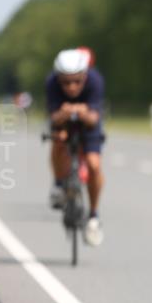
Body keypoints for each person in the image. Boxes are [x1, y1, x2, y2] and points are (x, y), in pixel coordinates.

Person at [46, 48, 106, 246]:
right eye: (66, 82)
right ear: (58, 78)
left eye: (77, 81)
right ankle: (58, 184)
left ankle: (94, 217)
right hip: (63, 122)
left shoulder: (95, 81)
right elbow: (53, 117)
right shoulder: (52, 83)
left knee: (93, 164)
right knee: (58, 138)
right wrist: (63, 114)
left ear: (85, 76)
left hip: (87, 123)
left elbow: (94, 118)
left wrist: (82, 112)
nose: (71, 87)